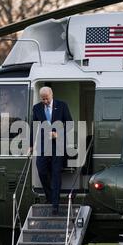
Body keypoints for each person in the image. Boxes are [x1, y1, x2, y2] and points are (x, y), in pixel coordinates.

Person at [30, 86, 73, 215]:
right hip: (43, 146)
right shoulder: (37, 108)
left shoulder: (62, 105)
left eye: (47, 98)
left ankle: (55, 204)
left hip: (58, 146)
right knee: (41, 170)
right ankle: (49, 196)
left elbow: (70, 124)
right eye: (43, 99)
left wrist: (58, 134)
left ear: (51, 95)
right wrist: (31, 145)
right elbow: (34, 127)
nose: (45, 101)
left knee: (55, 174)